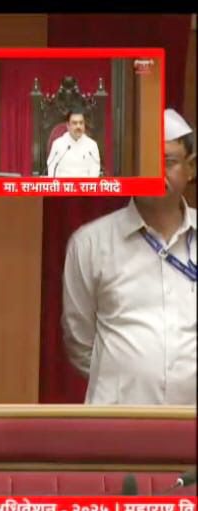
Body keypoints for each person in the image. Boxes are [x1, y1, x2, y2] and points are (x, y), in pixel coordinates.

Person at [62, 108, 196, 405]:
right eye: (145, 161)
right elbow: (79, 342)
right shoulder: (90, 243)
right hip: (117, 422)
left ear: (191, 168)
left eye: (168, 162)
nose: (155, 173)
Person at [47, 109, 102, 178]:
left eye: (81, 123)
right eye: (74, 123)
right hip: (63, 184)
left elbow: (95, 169)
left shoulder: (92, 145)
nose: (78, 126)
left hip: (86, 184)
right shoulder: (58, 144)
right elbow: (52, 169)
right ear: (68, 125)